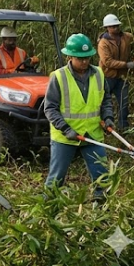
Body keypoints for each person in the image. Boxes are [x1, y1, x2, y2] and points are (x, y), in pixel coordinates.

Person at [44, 33, 113, 200]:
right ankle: (49, 207)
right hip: (65, 136)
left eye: (87, 58)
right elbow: (50, 108)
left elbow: (106, 100)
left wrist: (108, 118)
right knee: (56, 178)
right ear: (70, 57)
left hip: (92, 134)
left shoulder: (98, 74)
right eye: (80, 58)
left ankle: (101, 207)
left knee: (102, 177)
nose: (84, 62)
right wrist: (65, 128)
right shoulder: (59, 77)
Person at [97, 14, 134, 130]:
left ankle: (123, 127)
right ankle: (105, 126)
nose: (116, 28)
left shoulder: (125, 37)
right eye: (113, 26)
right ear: (107, 28)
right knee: (104, 103)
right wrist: (126, 64)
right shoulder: (103, 43)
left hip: (122, 77)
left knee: (124, 103)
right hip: (107, 77)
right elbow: (107, 62)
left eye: (117, 26)